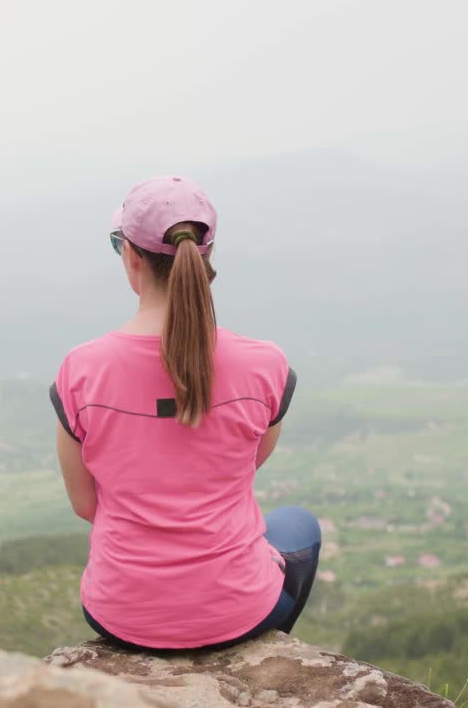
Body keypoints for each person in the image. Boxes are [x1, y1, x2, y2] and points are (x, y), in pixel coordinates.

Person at [50, 175, 321, 651]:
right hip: (238, 607)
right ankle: (253, 653)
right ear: (206, 257)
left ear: (131, 257)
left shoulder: (80, 371)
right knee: (298, 525)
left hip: (119, 613)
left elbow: (85, 504)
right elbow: (244, 464)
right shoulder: (266, 365)